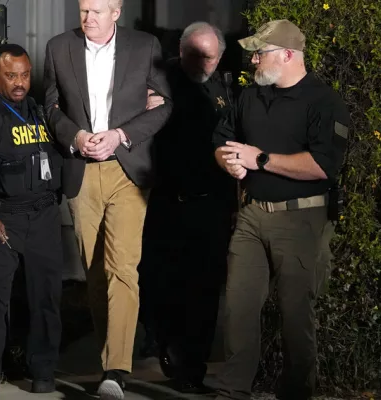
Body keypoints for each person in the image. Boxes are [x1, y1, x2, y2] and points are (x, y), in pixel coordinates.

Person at [209, 19, 350, 400]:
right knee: (238, 308)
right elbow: (222, 142)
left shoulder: (324, 102)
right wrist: (230, 163)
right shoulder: (250, 97)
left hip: (301, 218)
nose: (254, 60)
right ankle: (231, 390)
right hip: (252, 215)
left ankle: (297, 392)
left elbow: (323, 165)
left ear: (288, 55)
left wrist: (262, 159)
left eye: (261, 53)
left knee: (295, 316)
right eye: (255, 54)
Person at [43, 0, 172, 398]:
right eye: (83, 10)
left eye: (97, 11)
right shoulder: (58, 47)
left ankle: (116, 370)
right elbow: (50, 106)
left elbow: (164, 105)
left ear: (116, 12)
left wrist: (119, 135)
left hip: (126, 168)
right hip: (81, 168)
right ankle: (108, 359)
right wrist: (76, 138)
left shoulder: (144, 46)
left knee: (123, 269)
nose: (88, 18)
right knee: (94, 273)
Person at [138, 21, 237, 393]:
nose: (199, 63)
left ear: (221, 56)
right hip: (166, 202)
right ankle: (163, 343)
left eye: (208, 57)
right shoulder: (159, 80)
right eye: (192, 54)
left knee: (205, 290)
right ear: (179, 51)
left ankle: (191, 370)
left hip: (210, 206)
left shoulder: (226, 88)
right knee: (160, 282)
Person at [0, 43, 64, 400]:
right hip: (4, 217)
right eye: (11, 76)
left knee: (46, 295)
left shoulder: (37, 109)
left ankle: (43, 371)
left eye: (24, 74)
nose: (20, 82)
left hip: (43, 216)